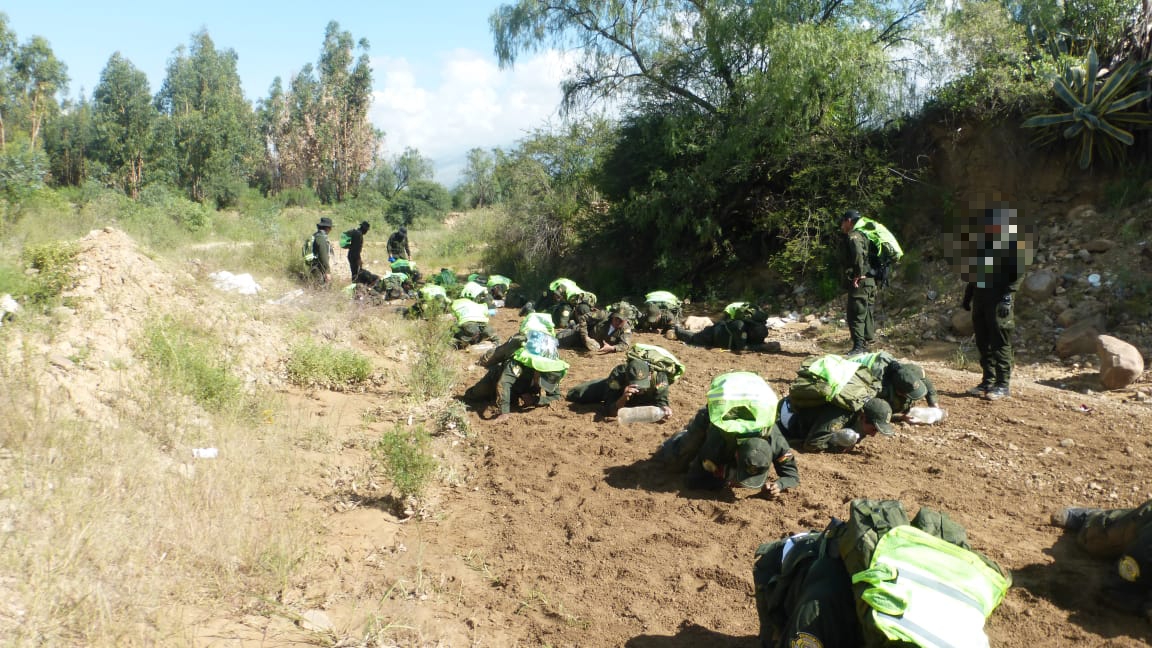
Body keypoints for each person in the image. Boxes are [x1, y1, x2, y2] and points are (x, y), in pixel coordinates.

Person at [656, 371, 799, 498]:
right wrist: (726, 476)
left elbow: (791, 475)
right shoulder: (720, 439)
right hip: (718, 415)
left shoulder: (774, 438)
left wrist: (778, 485)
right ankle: (679, 437)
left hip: (755, 407)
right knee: (676, 461)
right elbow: (694, 480)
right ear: (737, 455)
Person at [1050, 500, 1152, 618]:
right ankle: (1092, 516)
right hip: (1142, 526)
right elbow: (1119, 587)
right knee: (1093, 539)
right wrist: (1143, 606)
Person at [963, 207, 1022, 401]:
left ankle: (1002, 385)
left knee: (1000, 343)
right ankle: (988, 380)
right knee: (983, 342)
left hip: (998, 300)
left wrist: (1007, 298)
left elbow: (1016, 275)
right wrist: (968, 296)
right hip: (981, 297)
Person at [463, 319, 569, 422]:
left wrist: (535, 400)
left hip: (518, 389)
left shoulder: (551, 369)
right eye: (541, 380)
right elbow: (504, 383)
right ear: (537, 371)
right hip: (497, 377)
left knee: (513, 399)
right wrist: (504, 412)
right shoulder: (518, 362)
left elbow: (556, 396)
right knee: (474, 395)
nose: (543, 384)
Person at [566, 352, 675, 420]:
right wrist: (622, 398)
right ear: (627, 378)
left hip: (643, 401)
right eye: (636, 385)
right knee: (575, 394)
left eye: (643, 385)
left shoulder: (660, 378)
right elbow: (610, 411)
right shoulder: (619, 374)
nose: (639, 389)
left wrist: (665, 409)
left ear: (650, 376)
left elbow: (662, 401)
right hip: (618, 392)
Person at [773, 394, 894, 453]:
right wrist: (835, 447)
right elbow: (813, 444)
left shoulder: (860, 414)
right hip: (789, 415)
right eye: (874, 429)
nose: (873, 435)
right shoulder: (840, 416)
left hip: (806, 415)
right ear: (862, 417)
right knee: (801, 439)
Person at [849, 351, 939, 418]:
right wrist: (900, 417)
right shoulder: (878, 388)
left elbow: (927, 382)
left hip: (876, 362)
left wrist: (934, 404)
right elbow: (868, 413)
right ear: (899, 391)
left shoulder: (910, 371)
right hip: (851, 368)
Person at [839, 209, 879, 355]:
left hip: (860, 282)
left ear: (849, 221)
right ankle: (867, 345)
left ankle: (858, 348)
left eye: (843, 221)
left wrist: (857, 274)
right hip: (870, 281)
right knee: (866, 312)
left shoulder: (853, 236)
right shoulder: (865, 235)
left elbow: (857, 255)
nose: (842, 225)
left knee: (855, 314)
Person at [673, 302, 769, 352]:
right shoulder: (739, 326)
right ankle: (675, 329)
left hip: (718, 336)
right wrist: (763, 347)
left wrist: (763, 346)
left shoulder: (760, 330)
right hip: (712, 335)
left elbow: (756, 343)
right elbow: (741, 347)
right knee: (692, 338)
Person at [560, 301, 633, 353]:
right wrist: (585, 337)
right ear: (613, 315)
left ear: (625, 321)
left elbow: (625, 344)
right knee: (559, 341)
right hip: (582, 336)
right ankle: (572, 326)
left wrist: (612, 348)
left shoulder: (626, 328)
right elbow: (583, 318)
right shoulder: (603, 315)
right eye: (616, 318)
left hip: (593, 347)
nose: (617, 322)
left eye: (620, 320)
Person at [306, 217, 334, 286]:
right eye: (330, 227)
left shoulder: (316, 235)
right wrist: (327, 272)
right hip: (319, 269)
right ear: (327, 228)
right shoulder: (321, 238)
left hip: (314, 267)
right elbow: (323, 256)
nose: (331, 229)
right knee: (320, 288)